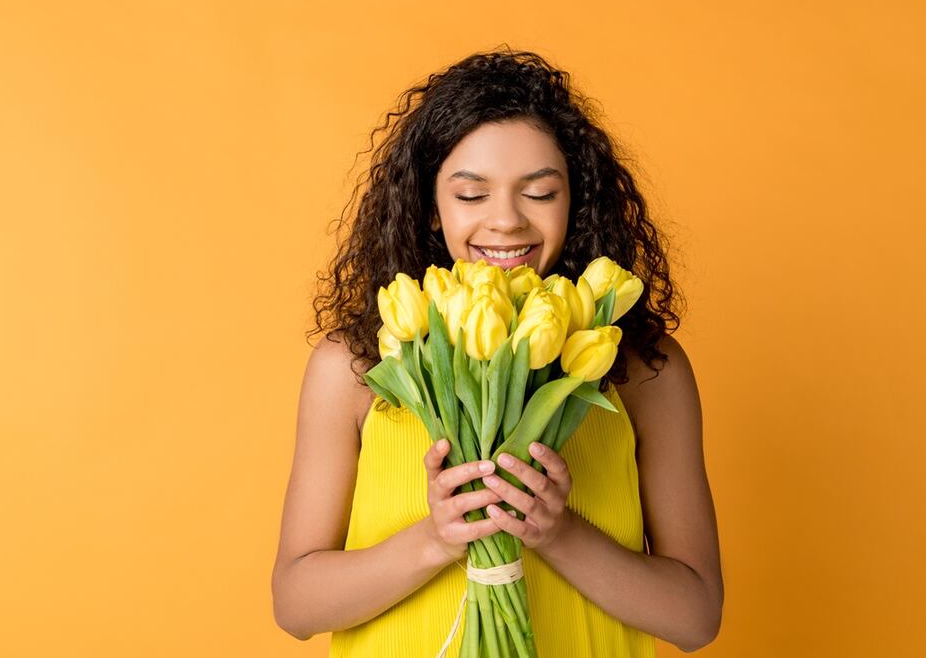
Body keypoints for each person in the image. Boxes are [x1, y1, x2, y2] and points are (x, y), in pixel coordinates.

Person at [272, 46, 723, 657]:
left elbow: (695, 619)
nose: (506, 222)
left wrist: (555, 531)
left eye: (539, 192)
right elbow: (296, 606)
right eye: (471, 195)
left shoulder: (642, 368)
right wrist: (438, 537)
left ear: (577, 202)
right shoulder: (355, 364)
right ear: (431, 209)